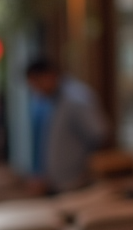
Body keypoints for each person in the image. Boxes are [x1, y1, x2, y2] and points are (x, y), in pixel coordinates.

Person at [25, 58, 110, 192]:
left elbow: (99, 135)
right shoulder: (52, 101)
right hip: (57, 184)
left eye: (36, 83)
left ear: (49, 75)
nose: (36, 90)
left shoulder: (75, 99)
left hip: (77, 185)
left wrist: (86, 172)